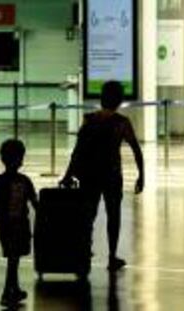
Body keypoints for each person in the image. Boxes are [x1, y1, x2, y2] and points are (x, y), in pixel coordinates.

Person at [61, 80, 144, 271]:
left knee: (88, 214)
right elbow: (136, 150)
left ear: (102, 98)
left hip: (89, 175)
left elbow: (78, 151)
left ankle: (84, 250)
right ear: (119, 100)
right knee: (113, 215)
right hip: (112, 175)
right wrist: (141, 176)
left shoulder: (89, 119)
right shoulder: (122, 123)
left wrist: (68, 175)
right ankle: (112, 256)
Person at [0, 139, 38, 307]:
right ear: (20, 159)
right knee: (14, 259)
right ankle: (7, 291)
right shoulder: (24, 181)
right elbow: (35, 204)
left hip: (4, 224)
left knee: (13, 258)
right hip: (20, 224)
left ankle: (14, 288)